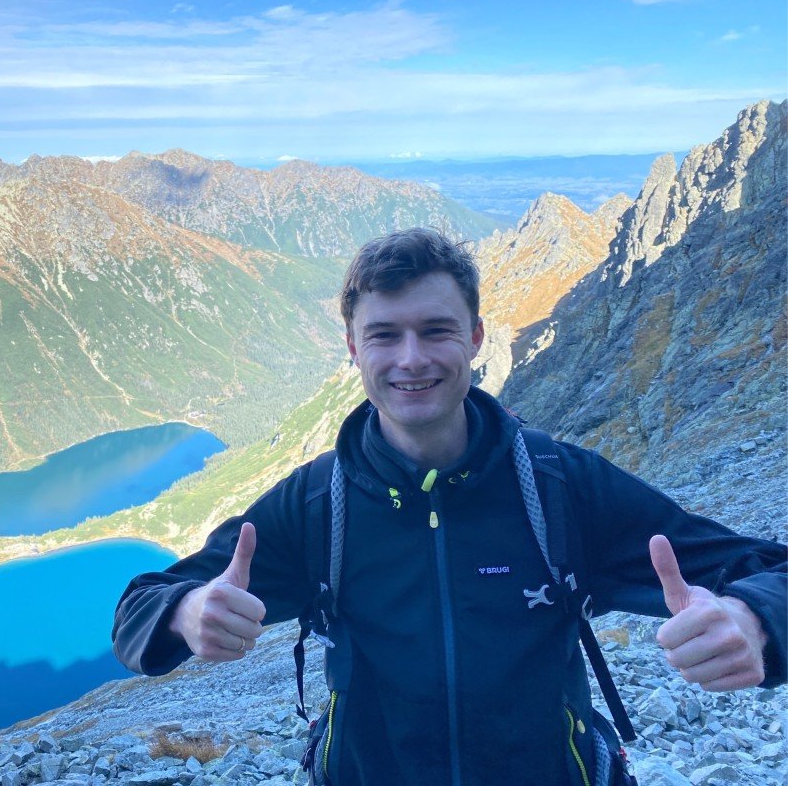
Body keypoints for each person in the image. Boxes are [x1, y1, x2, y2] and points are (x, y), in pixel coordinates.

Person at [111, 228, 787, 786]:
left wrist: (753, 618)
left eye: (436, 330)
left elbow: (769, 570)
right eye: (383, 335)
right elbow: (139, 606)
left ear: (474, 338)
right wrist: (185, 610)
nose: (410, 360)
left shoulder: (560, 487)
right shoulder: (316, 503)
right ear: (352, 348)